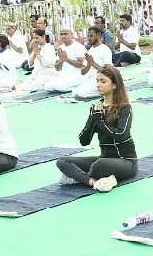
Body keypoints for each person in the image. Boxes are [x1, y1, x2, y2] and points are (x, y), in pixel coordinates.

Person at [56, 65, 137, 193]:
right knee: (62, 161)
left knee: (99, 165)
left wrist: (99, 120)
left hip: (125, 161)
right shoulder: (97, 108)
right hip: (104, 158)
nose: (98, 85)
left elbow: (121, 135)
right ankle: (93, 181)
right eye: (97, 81)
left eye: (103, 81)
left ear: (114, 85)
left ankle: (78, 177)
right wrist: (93, 120)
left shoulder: (124, 108)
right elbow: (84, 141)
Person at [73, 27, 114, 99]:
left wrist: (92, 63)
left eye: (91, 36)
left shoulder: (105, 49)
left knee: (82, 93)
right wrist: (89, 64)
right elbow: (83, 72)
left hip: (102, 81)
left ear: (98, 35)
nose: (89, 38)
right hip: (91, 81)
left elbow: (108, 71)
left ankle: (109, 90)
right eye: (88, 36)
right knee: (75, 92)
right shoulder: (90, 51)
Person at [43, 28, 87, 93]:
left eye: (65, 34)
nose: (63, 36)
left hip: (77, 75)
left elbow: (81, 65)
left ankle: (81, 86)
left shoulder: (78, 47)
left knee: (60, 87)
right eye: (61, 34)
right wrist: (61, 59)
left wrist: (66, 59)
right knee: (47, 86)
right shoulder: (61, 48)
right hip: (64, 75)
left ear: (71, 34)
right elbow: (57, 68)